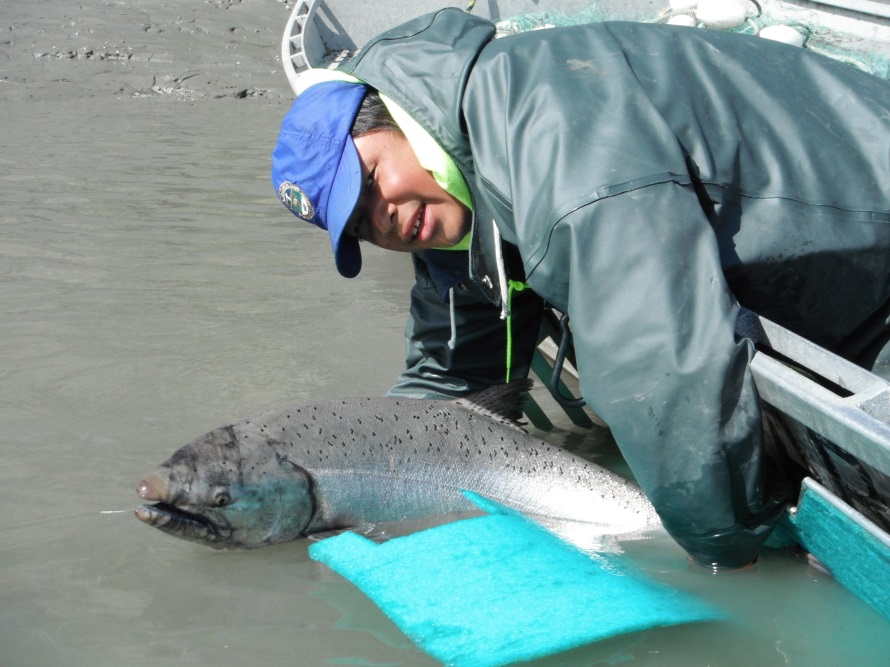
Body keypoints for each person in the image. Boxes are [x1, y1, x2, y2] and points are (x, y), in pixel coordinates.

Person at [271, 8, 890, 568]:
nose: (382, 218)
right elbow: (454, 373)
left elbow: (661, 367)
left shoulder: (547, 138)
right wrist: (352, 465)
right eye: (359, 226)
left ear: (391, 116)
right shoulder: (450, 190)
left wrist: (726, 551)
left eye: (370, 182)